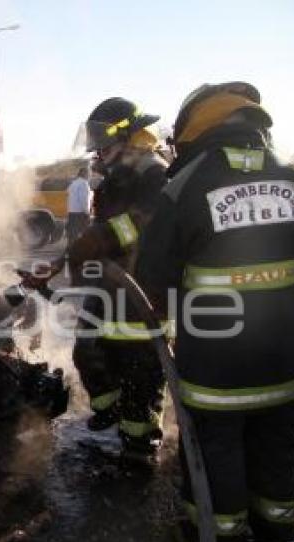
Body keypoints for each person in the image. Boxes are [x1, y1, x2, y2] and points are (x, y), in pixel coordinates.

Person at [135, 82, 294, 542]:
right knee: (278, 442)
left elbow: (152, 277)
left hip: (216, 367)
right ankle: (276, 538)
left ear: (196, 129)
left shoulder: (185, 186)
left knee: (216, 449)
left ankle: (217, 539)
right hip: (285, 362)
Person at [28, 97, 170, 464]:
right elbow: (96, 231)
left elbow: (145, 221)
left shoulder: (153, 171)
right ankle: (109, 409)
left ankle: (140, 445)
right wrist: (61, 262)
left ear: (127, 134)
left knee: (140, 374)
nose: (95, 148)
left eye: (101, 138)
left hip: (143, 291)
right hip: (108, 286)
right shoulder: (116, 174)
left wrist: (100, 239)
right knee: (87, 351)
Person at [65, 167, 92, 244]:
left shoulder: (73, 183)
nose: (90, 175)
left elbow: (68, 194)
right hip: (81, 213)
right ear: (85, 174)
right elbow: (84, 200)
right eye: (89, 173)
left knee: (72, 234)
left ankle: (70, 251)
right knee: (85, 234)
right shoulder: (84, 184)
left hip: (72, 213)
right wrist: (87, 213)